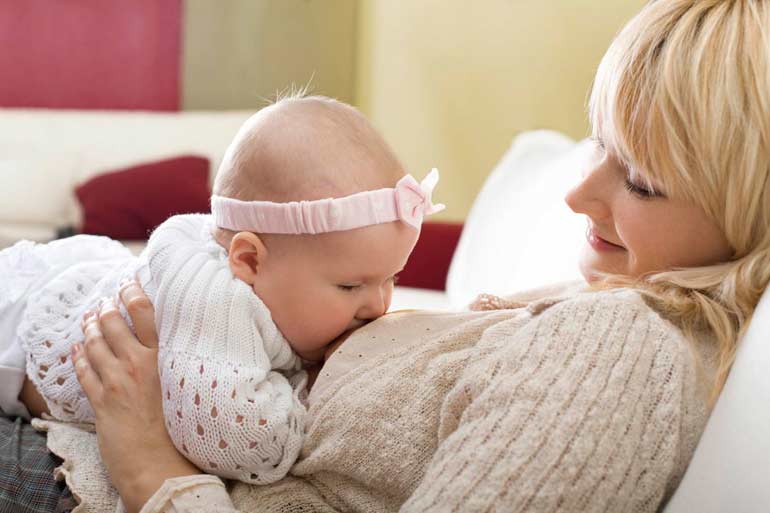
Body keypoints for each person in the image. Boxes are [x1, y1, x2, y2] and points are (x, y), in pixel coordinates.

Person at [4, 0, 770, 511]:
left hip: (89, 469)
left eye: (641, 181)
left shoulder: (624, 349)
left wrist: (152, 468)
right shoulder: (603, 298)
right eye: (598, 143)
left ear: (743, 211)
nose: (577, 194)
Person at [0, 95, 443, 484]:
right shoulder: (216, 301)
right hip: (14, 325)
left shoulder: (273, 285)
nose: (378, 305)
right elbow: (234, 441)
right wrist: (309, 387)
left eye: (391, 278)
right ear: (248, 260)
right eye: (350, 285)